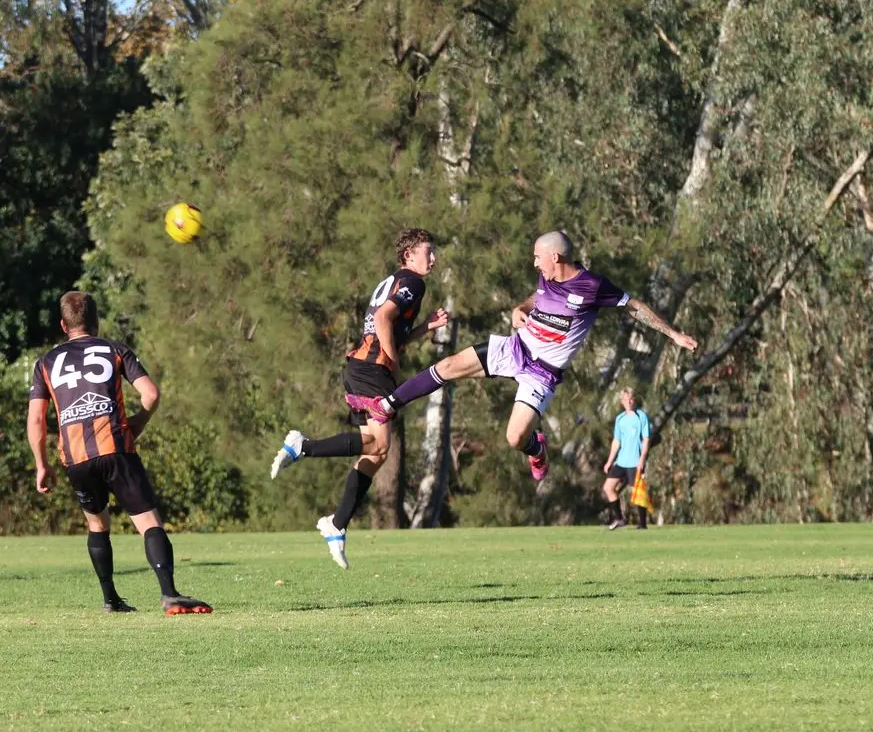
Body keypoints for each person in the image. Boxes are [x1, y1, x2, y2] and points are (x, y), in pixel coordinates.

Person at [352, 230, 696, 484]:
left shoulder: (592, 286)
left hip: (542, 372)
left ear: (555, 258)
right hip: (517, 348)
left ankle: (537, 448)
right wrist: (519, 308)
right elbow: (536, 298)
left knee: (514, 438)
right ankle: (388, 404)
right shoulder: (546, 277)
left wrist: (674, 334)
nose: (534, 262)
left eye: (537, 257)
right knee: (446, 366)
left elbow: (635, 307)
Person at [269, 229, 448, 569]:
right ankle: (302, 447)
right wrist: (393, 364)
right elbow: (382, 321)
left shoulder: (398, 281)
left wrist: (425, 327)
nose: (434, 258)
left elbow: (390, 329)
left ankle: (336, 524)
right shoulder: (414, 282)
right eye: (429, 251)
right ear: (409, 255)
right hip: (371, 371)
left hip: (361, 368)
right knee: (379, 447)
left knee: (375, 450)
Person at [27, 291, 212, 614]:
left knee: (97, 525)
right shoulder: (114, 349)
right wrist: (138, 422)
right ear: (96, 322)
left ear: (62, 325)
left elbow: (37, 419)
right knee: (148, 522)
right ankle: (169, 593)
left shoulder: (46, 362)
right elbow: (151, 394)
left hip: (76, 458)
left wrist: (41, 465)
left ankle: (111, 600)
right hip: (115, 447)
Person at [602, 387, 651, 530]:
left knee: (636, 493)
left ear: (634, 400)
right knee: (608, 487)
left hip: (635, 461)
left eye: (631, 399)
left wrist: (642, 459)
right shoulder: (620, 419)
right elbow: (616, 441)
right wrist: (609, 461)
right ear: (622, 401)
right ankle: (619, 519)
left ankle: (642, 524)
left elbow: (646, 440)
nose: (629, 402)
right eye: (626, 399)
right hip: (621, 461)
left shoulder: (641, 416)